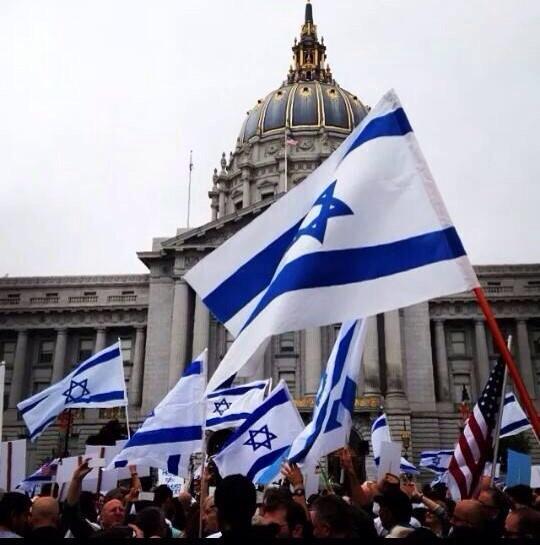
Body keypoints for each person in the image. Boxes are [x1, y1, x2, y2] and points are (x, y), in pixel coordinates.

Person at [64, 458, 127, 538]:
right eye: (113, 510)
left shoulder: (133, 532)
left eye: (121, 510)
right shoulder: (93, 533)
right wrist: (77, 480)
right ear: (102, 517)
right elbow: (72, 512)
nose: (118, 513)